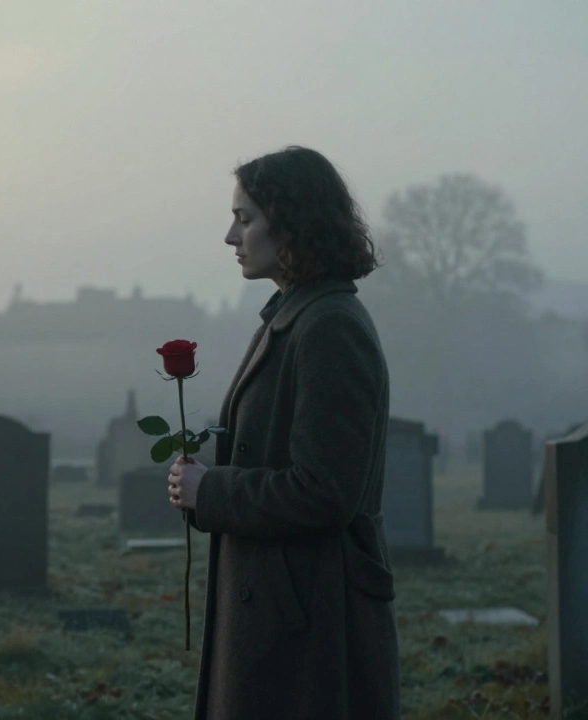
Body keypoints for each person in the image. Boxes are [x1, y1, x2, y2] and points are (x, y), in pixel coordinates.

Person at [167, 145, 399, 719]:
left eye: (245, 219)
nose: (230, 236)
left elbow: (325, 491)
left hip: (311, 625)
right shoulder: (296, 315)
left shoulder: (329, 328)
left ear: (291, 221)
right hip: (286, 611)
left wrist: (211, 491)